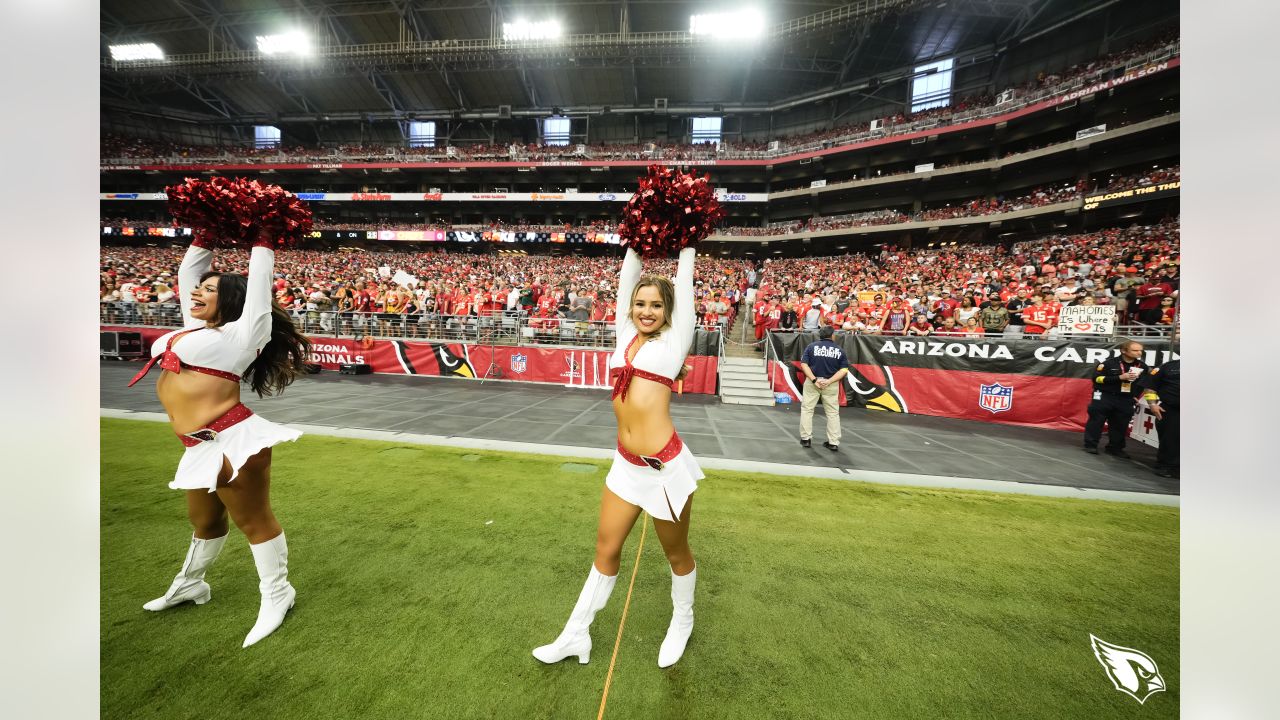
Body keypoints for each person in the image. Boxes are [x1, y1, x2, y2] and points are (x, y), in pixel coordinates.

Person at [128, 229, 310, 648]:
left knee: (254, 521)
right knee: (206, 522)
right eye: (200, 287)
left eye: (209, 289)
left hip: (233, 440)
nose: (196, 292)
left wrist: (264, 237)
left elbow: (260, 283)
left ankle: (279, 594)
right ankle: (191, 584)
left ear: (230, 301)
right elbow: (186, 271)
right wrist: (205, 232)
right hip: (198, 446)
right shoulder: (196, 328)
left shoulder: (244, 334)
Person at [533, 245, 703, 669]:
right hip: (625, 465)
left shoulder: (676, 339)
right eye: (640, 304)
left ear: (670, 310)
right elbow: (629, 273)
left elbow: (684, 281)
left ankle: (682, 621)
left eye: (657, 305)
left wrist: (684, 241)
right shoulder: (625, 335)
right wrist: (636, 238)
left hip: (664, 469)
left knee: (676, 554)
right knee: (605, 550)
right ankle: (575, 635)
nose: (647, 311)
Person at [1082, 339, 1147, 458]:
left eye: (1140, 350)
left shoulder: (1142, 366)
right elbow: (1096, 379)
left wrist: (1135, 396)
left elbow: (1142, 383)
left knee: (1120, 424)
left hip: (1125, 399)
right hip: (1104, 396)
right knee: (1096, 421)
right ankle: (1090, 445)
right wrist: (1119, 377)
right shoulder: (1108, 364)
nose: (1139, 353)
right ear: (1123, 351)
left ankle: (1115, 448)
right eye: (1135, 350)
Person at [798, 326, 851, 452]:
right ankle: (833, 442)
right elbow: (844, 370)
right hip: (830, 384)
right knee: (833, 413)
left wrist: (814, 380)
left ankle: (806, 439)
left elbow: (804, 364)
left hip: (813, 382)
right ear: (832, 335)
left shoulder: (811, 347)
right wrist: (829, 381)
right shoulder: (839, 350)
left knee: (807, 410)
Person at [1141, 357, 1180, 478]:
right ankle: (1165, 466)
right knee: (1169, 439)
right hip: (1171, 409)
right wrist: (1152, 404)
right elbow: (1150, 387)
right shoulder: (1168, 367)